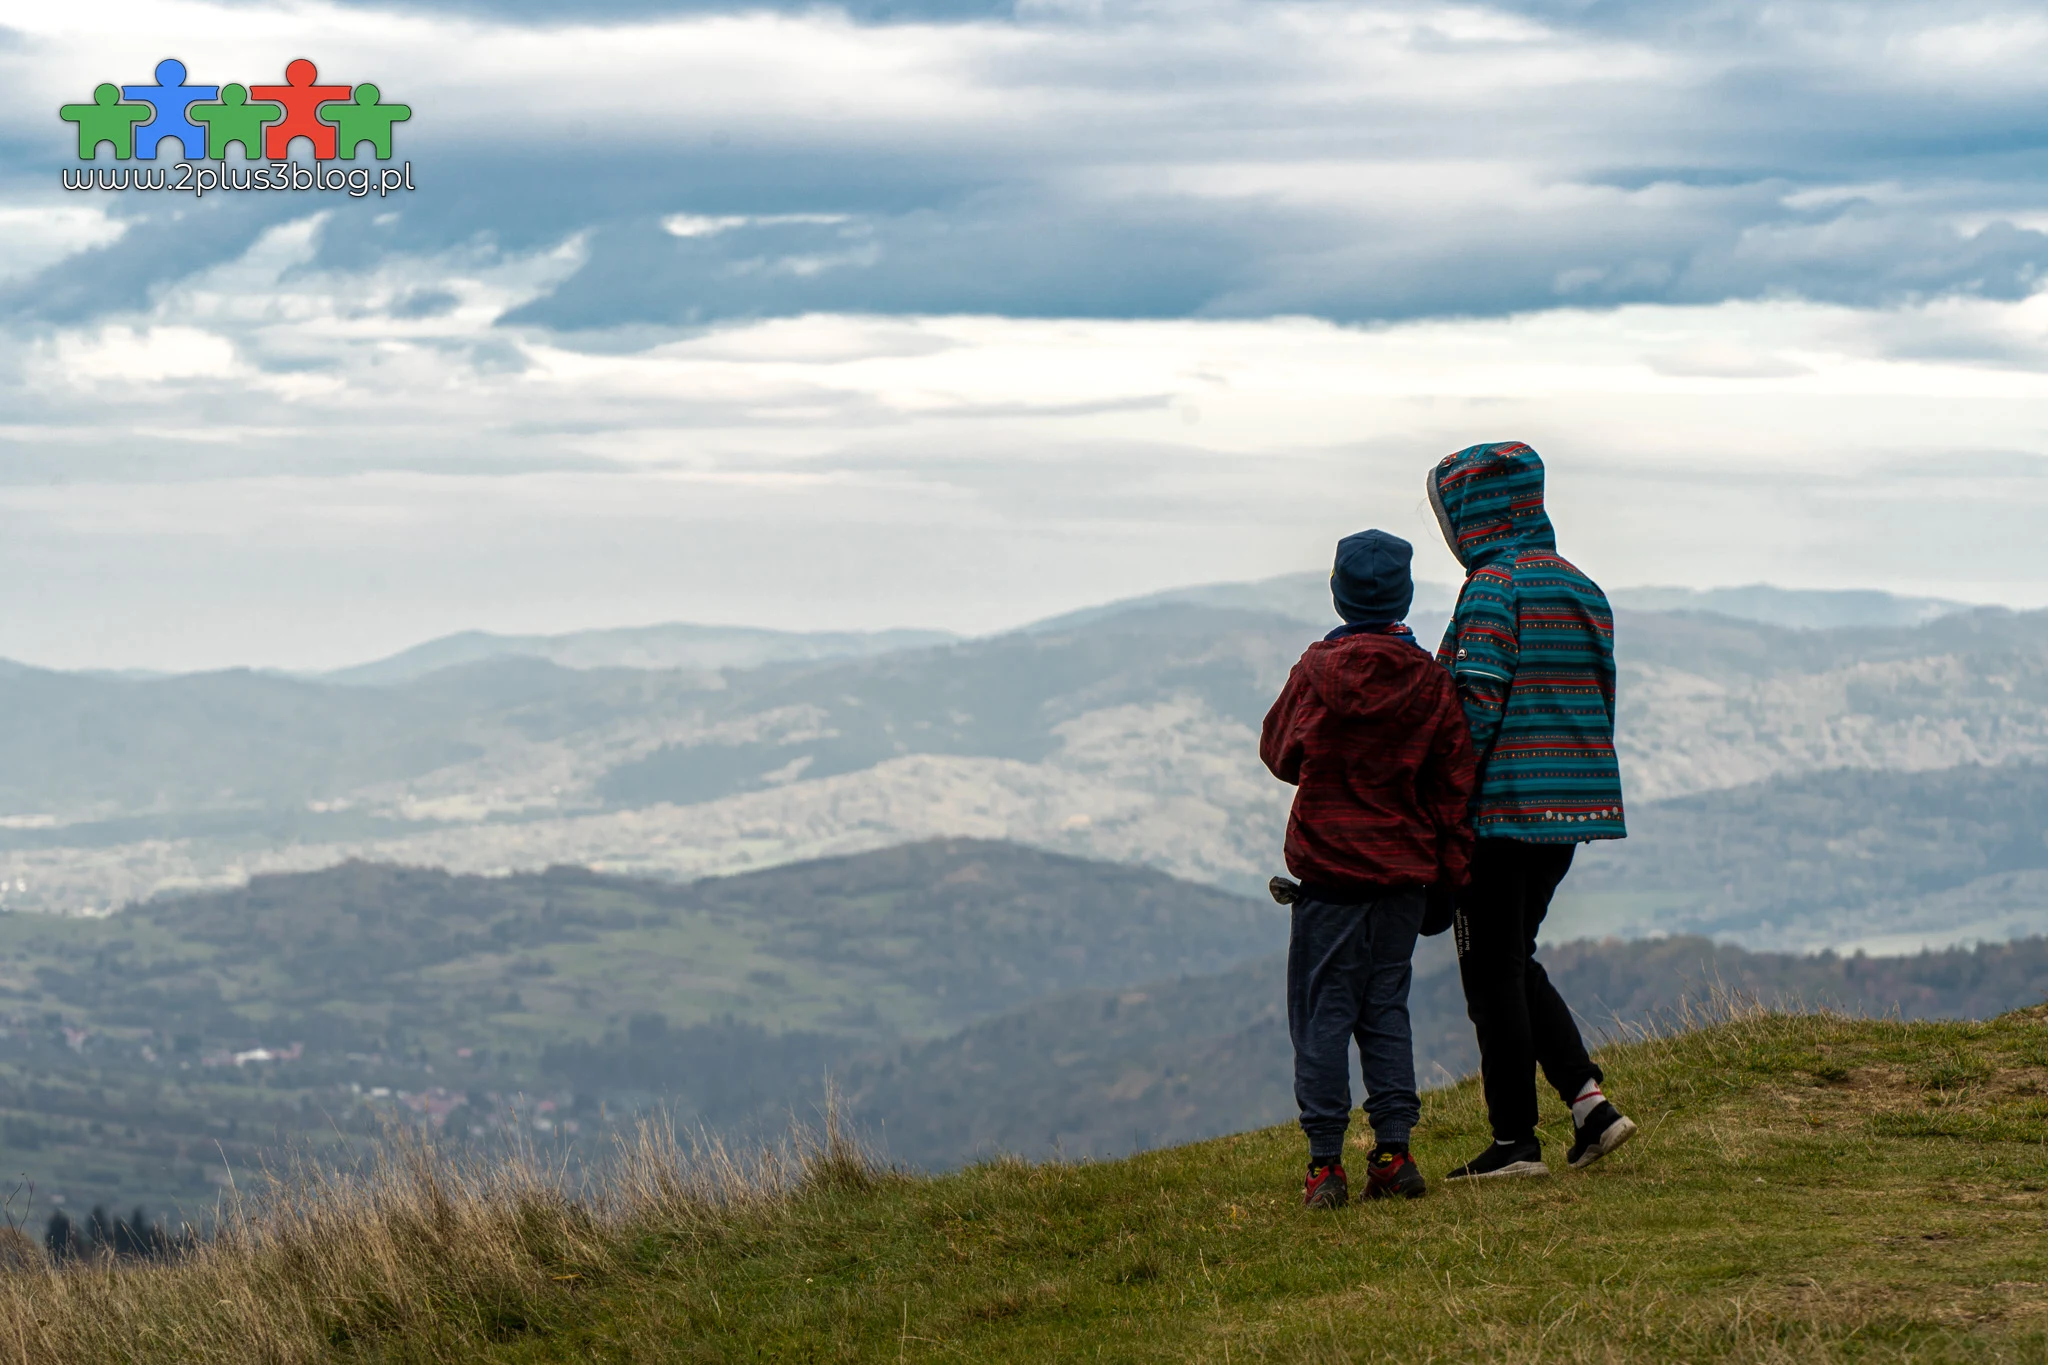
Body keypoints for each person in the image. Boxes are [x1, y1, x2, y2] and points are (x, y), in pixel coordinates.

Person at [1424, 441, 1636, 1181]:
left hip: (1501, 813)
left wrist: (1443, 802)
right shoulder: (1581, 586)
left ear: (1472, 513)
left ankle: (1515, 1141)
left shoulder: (1493, 586)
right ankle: (1590, 1106)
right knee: (1515, 960)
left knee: (1489, 973)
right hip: (1569, 810)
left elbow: (1472, 706)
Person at [1261, 529, 1476, 1209]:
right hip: (1402, 879)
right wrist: (1451, 873)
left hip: (1327, 876)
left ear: (1338, 592)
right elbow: (1453, 785)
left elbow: (1279, 753)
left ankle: (1326, 1165)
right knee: (1385, 1009)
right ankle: (1394, 1152)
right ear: (1405, 595)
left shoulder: (1315, 673)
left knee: (1323, 1015)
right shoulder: (1431, 682)